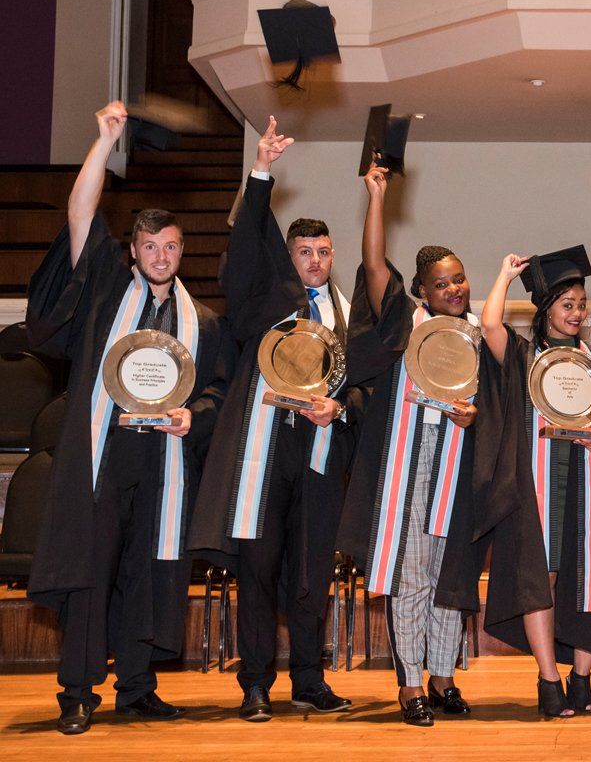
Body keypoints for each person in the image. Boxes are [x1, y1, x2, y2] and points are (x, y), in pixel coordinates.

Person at [25, 102, 230, 734]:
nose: (161, 255)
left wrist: (192, 418)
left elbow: (216, 391)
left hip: (165, 459)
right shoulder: (108, 292)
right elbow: (79, 214)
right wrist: (103, 142)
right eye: (149, 246)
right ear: (133, 249)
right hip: (105, 453)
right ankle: (78, 692)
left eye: (171, 246)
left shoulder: (206, 324)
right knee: (92, 570)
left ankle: (136, 687)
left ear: (181, 250)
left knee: (150, 568)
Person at [189, 117, 360, 722]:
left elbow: (364, 387)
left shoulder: (346, 311)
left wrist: (340, 405)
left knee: (310, 574)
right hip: (262, 454)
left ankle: (309, 680)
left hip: (317, 455)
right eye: (304, 252)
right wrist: (259, 171)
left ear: (333, 256)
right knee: (258, 572)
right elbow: (241, 248)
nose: (315, 261)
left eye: (323, 252)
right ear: (288, 257)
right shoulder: (265, 296)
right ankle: (257, 683)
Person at [336, 164, 511, 726]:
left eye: (459, 278)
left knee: (450, 577)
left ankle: (443, 678)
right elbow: (372, 265)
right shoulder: (402, 327)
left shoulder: (477, 341)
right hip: (406, 471)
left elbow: (495, 412)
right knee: (411, 578)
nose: (455, 288)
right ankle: (410, 684)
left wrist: (474, 416)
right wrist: (377, 198)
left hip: (456, 472)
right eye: (442, 282)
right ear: (421, 291)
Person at [482, 246, 591, 718]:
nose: (577, 312)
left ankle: (582, 680)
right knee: (538, 581)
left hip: (589, 484)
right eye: (567, 304)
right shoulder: (526, 357)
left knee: (590, 580)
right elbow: (488, 326)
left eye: (581, 304)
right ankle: (549, 681)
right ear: (546, 310)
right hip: (541, 486)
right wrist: (505, 276)